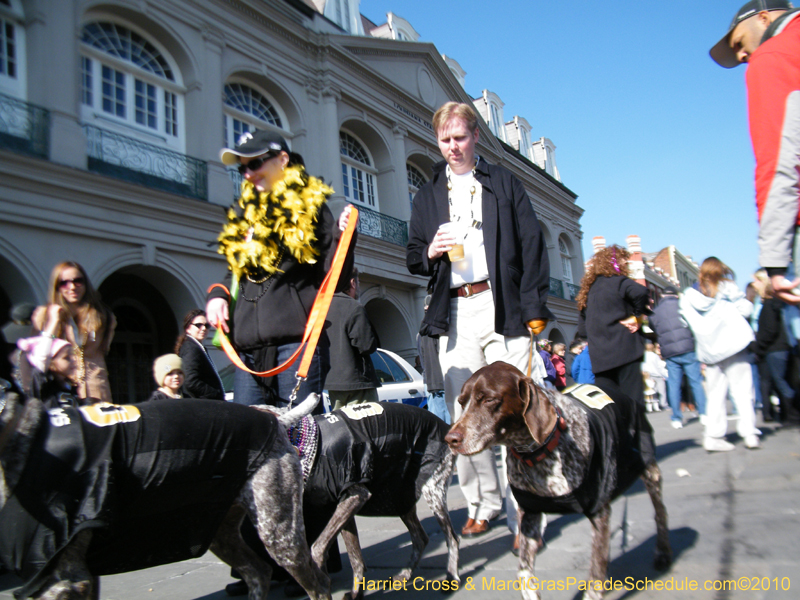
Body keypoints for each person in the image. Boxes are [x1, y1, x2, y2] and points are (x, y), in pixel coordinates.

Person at [406, 101, 552, 538]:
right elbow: (414, 255)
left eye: (460, 138)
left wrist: (535, 310)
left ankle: (526, 504)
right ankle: (481, 503)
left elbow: (532, 247)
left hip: (502, 303)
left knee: (522, 404)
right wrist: (430, 250)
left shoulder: (504, 182)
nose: (453, 147)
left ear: (474, 137)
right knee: (463, 411)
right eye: (445, 140)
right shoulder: (429, 192)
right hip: (454, 308)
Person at [206, 130, 355, 409]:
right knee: (252, 438)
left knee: (300, 438)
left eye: (255, 163)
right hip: (248, 351)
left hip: (295, 345)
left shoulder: (310, 207)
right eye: (242, 168)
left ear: (283, 159)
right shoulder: (244, 213)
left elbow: (333, 276)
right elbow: (234, 273)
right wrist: (217, 295)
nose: (247, 173)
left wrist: (343, 236)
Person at [709, 0, 800, 303]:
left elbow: (778, 161)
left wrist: (775, 263)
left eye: (739, 42)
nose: (741, 55)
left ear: (764, 18)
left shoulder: (773, 56)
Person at [680, 257, 761, 451]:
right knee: (742, 391)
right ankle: (749, 433)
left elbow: (684, 323)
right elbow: (746, 309)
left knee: (715, 394)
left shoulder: (688, 295)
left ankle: (713, 437)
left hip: (710, 350)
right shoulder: (727, 287)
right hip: (734, 344)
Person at [576, 245, 650, 412]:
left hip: (601, 358)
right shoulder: (619, 282)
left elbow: (582, 331)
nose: (627, 264)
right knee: (633, 403)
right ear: (616, 263)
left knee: (612, 408)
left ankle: (619, 438)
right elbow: (641, 293)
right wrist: (636, 316)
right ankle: (640, 437)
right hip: (626, 351)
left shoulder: (587, 292)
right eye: (624, 261)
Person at [31, 261, 116, 403]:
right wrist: (53, 323)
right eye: (64, 283)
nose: (72, 287)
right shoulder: (43, 317)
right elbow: (38, 357)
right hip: (59, 392)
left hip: (96, 391)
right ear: (56, 287)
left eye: (78, 281)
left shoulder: (103, 316)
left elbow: (104, 350)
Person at [648, 285, 709, 428]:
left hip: (669, 352)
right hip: (688, 348)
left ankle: (676, 418)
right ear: (676, 295)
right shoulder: (683, 306)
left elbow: (654, 328)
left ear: (662, 296)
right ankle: (704, 413)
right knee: (696, 381)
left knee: (673, 384)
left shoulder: (655, 313)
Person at [323, 268, 381, 410]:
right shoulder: (354, 307)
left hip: (332, 384)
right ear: (352, 282)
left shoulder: (322, 308)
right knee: (367, 426)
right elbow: (367, 345)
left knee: (343, 428)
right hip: (358, 383)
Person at [752, 279, 800, 426]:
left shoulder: (768, 306)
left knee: (780, 383)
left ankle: (793, 415)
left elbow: (769, 330)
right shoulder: (780, 305)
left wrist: (758, 346)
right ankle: (789, 414)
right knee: (784, 381)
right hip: (784, 346)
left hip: (774, 349)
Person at [16, 330, 79, 408]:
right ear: (50, 364)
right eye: (66, 358)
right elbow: (42, 359)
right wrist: (53, 323)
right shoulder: (44, 389)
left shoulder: (73, 386)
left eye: (73, 355)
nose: (74, 360)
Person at [174, 309, 225, 400]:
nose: (204, 328)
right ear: (188, 328)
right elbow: (190, 381)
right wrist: (214, 393)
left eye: (207, 325)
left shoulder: (196, 346)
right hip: (202, 404)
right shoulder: (191, 348)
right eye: (198, 325)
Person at [417, 295, 451, 424]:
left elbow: (422, 358)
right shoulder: (441, 330)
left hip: (430, 382)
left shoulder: (420, 334)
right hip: (443, 381)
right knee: (449, 423)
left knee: (437, 425)